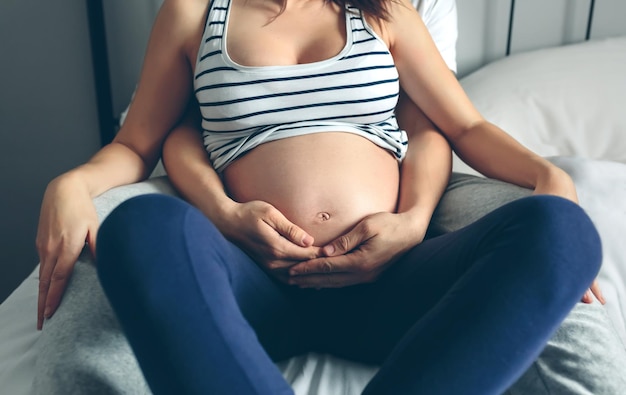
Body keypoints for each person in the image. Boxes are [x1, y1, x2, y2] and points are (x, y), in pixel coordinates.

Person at [34, 0, 621, 394]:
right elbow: (138, 143)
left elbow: (462, 128)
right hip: (257, 284)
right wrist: (73, 182)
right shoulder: (194, 12)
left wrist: (548, 179)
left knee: (563, 232)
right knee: (140, 226)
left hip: (392, 280)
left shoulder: (384, 12)